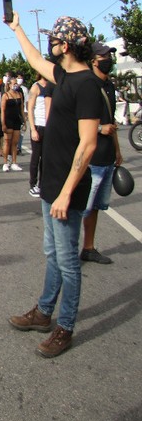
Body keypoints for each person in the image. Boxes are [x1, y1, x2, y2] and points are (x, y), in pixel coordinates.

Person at [6, 14, 102, 358]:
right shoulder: (63, 76)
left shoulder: (87, 84)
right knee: (52, 253)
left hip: (68, 188)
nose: (52, 44)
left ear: (68, 44)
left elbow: (88, 144)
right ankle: (44, 312)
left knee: (67, 261)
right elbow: (34, 59)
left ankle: (65, 327)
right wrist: (16, 28)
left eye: (56, 40)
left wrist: (65, 192)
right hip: (52, 182)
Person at [80, 43, 120, 265]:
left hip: (107, 156)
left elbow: (111, 120)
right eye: (104, 55)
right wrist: (98, 129)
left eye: (110, 55)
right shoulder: (87, 85)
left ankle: (89, 248)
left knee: (96, 207)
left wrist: (117, 149)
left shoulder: (110, 86)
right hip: (90, 157)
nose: (108, 59)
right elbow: (76, 122)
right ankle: (68, 252)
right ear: (93, 60)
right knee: (81, 208)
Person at [26, 73, 52, 196]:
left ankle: (42, 184)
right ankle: (33, 184)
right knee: (36, 157)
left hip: (49, 127)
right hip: (38, 125)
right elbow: (30, 108)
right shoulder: (36, 87)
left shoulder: (53, 86)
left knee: (46, 158)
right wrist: (33, 129)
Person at [0, 77, 24, 172]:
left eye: (16, 83)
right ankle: (5, 163)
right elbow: (2, 110)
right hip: (8, 120)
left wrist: (24, 121)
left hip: (17, 120)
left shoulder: (19, 94)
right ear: (9, 84)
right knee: (7, 142)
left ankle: (14, 162)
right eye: (13, 83)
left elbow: (21, 108)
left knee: (15, 143)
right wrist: (3, 124)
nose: (15, 85)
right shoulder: (5, 95)